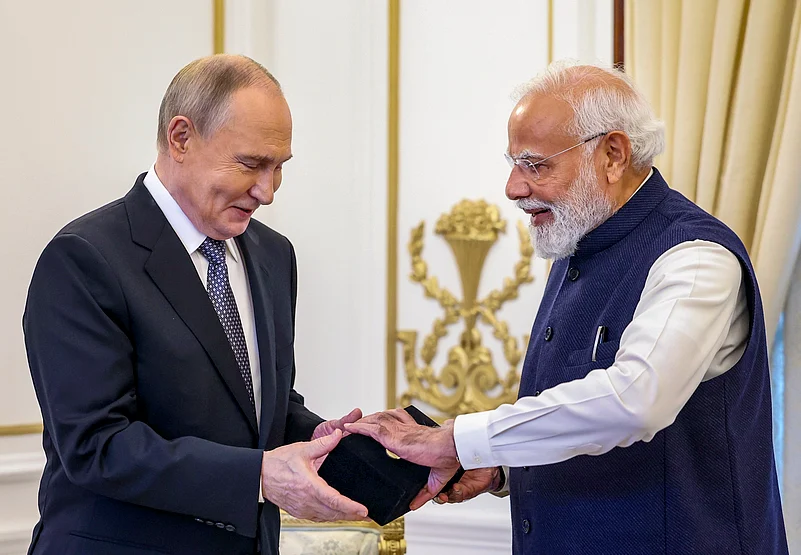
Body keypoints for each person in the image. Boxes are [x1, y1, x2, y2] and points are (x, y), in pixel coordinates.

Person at [348, 62, 789, 554]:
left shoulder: (694, 256)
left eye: (535, 165)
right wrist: (502, 468)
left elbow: (635, 401)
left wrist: (461, 438)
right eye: (514, 164)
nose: (513, 188)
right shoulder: (576, 241)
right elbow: (580, 414)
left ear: (613, 155)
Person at [23, 54, 368, 555]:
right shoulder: (84, 257)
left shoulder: (274, 255)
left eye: (278, 168)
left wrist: (323, 435)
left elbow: (252, 407)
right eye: (250, 164)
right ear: (180, 137)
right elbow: (97, 445)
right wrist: (261, 477)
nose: (267, 192)